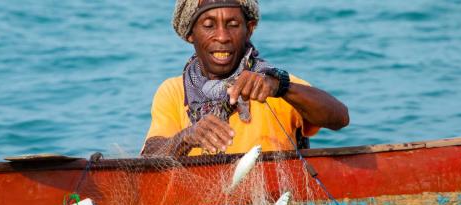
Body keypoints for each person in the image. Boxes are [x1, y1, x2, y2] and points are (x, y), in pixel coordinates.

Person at [141, 0, 349, 157]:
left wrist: (281, 87)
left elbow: (339, 118)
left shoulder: (272, 82)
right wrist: (186, 137)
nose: (222, 36)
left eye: (232, 24)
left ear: (248, 30)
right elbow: (149, 157)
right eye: (208, 25)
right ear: (190, 34)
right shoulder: (174, 91)